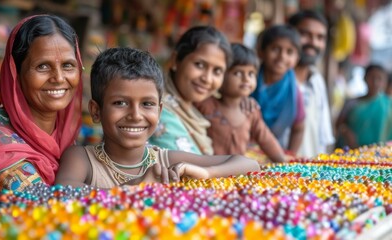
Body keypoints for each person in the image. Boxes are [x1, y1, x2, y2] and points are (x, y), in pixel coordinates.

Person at [55, 47, 260, 188]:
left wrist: (205, 172)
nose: (136, 115)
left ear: (160, 111)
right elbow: (62, 191)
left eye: (147, 104)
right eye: (120, 103)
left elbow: (249, 164)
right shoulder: (82, 158)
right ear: (96, 111)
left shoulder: (165, 159)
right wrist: (134, 188)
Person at [0, 15, 84, 205]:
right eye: (43, 66)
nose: (59, 78)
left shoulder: (62, 136)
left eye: (68, 65)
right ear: (16, 74)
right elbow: (47, 214)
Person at [146, 26, 231, 155]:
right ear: (175, 60)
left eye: (217, 71)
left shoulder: (194, 109)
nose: (207, 79)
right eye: (199, 65)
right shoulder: (160, 110)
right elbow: (192, 167)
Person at [196, 43, 285, 163]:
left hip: (237, 174)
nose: (246, 79)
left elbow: (266, 139)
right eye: (237, 73)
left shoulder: (250, 111)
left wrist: (283, 163)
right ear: (220, 75)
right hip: (206, 173)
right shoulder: (205, 104)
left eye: (251, 74)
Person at [251, 25, 305, 154]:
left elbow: (299, 128)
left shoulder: (294, 93)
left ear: (297, 59)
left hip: (274, 154)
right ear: (261, 51)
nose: (282, 56)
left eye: (289, 52)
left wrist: (289, 156)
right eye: (275, 49)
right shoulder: (248, 80)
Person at [288, 10, 335, 158]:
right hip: (273, 175)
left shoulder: (317, 80)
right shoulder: (274, 79)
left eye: (320, 37)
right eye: (305, 34)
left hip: (311, 175)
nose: (313, 43)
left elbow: (324, 136)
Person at [335, 64, 392, 148]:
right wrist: (346, 132)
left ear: (384, 81)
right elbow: (339, 124)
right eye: (371, 77)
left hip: (379, 155)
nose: (375, 82)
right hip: (352, 153)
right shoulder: (352, 103)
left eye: (379, 78)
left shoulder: (388, 105)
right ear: (364, 78)